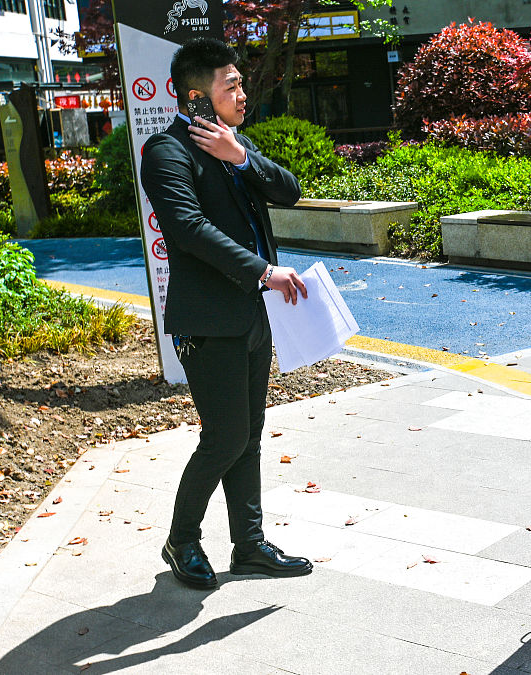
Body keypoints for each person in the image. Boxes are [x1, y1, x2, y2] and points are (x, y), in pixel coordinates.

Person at [141, 37, 313, 589]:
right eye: (230, 85)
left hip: (251, 318)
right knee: (225, 436)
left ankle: (250, 545)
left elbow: (289, 191)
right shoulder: (165, 154)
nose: (242, 93)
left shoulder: (235, 147)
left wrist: (238, 154)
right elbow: (189, 231)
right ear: (196, 97)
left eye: (240, 82)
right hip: (207, 322)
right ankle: (183, 539)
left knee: (251, 434)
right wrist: (264, 272)